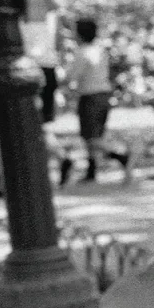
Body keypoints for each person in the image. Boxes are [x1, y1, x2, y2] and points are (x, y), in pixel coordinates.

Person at [64, 17, 129, 185]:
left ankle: (120, 155)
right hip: (104, 95)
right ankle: (92, 169)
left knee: (91, 138)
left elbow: (71, 76)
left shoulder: (82, 52)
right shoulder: (101, 51)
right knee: (93, 136)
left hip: (90, 96)